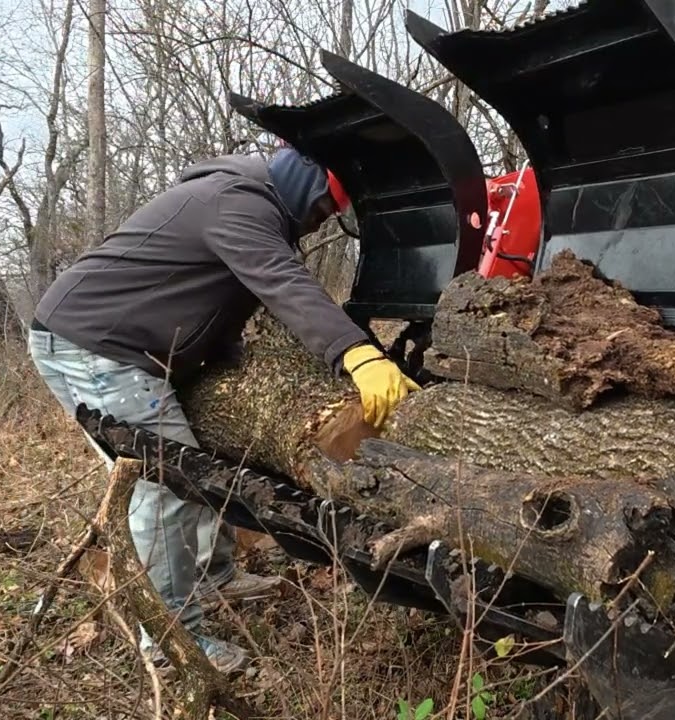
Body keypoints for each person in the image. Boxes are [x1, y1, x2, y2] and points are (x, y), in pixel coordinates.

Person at [27, 145, 419, 674]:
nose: (324, 219)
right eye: (326, 207)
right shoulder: (235, 202)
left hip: (124, 343)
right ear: (305, 189)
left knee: (202, 461)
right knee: (169, 486)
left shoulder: (240, 198)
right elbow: (281, 282)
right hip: (97, 347)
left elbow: (213, 292)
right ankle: (170, 643)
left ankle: (214, 577)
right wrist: (357, 354)